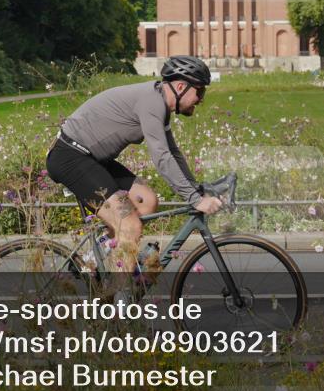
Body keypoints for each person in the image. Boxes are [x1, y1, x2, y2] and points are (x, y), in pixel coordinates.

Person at [45, 56, 223, 295]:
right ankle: (119, 303)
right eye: (199, 92)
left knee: (146, 201)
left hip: (92, 159)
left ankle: (92, 261)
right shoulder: (152, 103)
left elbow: (173, 153)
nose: (201, 99)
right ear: (181, 87)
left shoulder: (159, 104)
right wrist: (195, 200)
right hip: (70, 157)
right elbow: (161, 157)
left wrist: (195, 189)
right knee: (130, 226)